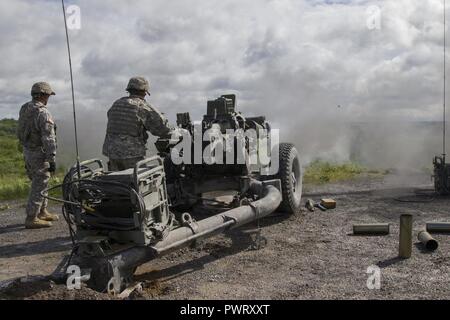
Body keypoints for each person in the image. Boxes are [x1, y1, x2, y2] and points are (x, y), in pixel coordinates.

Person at [102, 76, 173, 171]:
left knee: (118, 182)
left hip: (112, 153)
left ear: (129, 90)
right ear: (144, 91)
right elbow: (163, 130)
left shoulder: (116, 104)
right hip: (132, 154)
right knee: (138, 182)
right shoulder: (142, 107)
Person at [17, 82, 59, 229]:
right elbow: (48, 138)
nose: (49, 98)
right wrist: (51, 158)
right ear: (43, 95)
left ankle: (42, 211)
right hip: (39, 153)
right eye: (48, 95)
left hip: (27, 151)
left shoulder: (25, 108)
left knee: (41, 181)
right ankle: (31, 217)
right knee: (39, 183)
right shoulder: (43, 112)